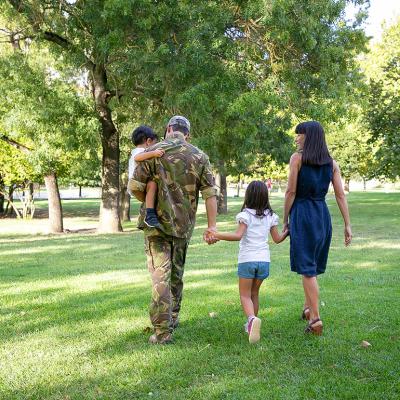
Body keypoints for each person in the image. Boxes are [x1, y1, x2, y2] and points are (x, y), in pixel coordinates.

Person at [128, 115, 217, 344]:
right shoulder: (199, 156)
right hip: (183, 226)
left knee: (160, 276)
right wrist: (212, 226)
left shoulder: (152, 152)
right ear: (187, 134)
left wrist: (152, 202)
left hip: (155, 225)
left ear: (168, 129)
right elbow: (209, 195)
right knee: (176, 274)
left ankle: (163, 331)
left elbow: (135, 187)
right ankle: (173, 317)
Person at [283, 121, 352, 335]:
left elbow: (290, 193)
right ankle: (307, 307)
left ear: (309, 136)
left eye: (299, 134)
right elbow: (340, 195)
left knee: (307, 269)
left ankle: (315, 319)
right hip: (322, 216)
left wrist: (285, 219)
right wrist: (347, 224)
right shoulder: (331, 163)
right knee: (311, 266)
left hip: (303, 214)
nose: (296, 138)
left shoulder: (297, 159)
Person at [209, 181, 288, 344]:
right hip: (264, 262)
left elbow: (238, 235)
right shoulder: (271, 216)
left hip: (247, 260)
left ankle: (252, 320)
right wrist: (287, 231)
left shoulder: (245, 215)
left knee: (244, 295)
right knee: (254, 294)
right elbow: (277, 239)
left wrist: (216, 234)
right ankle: (251, 324)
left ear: (248, 196)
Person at [128, 125, 164, 227]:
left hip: (140, 184)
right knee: (152, 184)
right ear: (148, 141)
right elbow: (138, 158)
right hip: (137, 183)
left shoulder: (142, 151)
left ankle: (151, 213)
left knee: (152, 188)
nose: (154, 146)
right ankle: (150, 215)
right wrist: (154, 153)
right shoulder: (139, 151)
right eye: (154, 144)